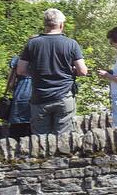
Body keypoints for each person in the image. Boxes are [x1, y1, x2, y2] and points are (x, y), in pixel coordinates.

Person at [15, 8, 87, 136]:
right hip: (64, 96)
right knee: (63, 138)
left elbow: (20, 70)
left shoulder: (32, 44)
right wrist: (72, 71)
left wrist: (36, 73)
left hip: (40, 97)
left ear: (45, 24)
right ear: (61, 24)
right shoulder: (71, 44)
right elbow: (82, 71)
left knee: (40, 140)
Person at [2, 55, 32, 136]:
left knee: (17, 135)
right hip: (39, 98)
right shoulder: (44, 60)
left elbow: (10, 84)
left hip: (20, 98)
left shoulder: (17, 60)